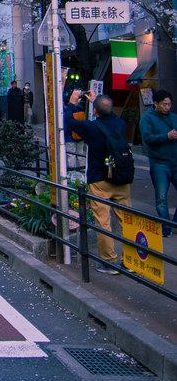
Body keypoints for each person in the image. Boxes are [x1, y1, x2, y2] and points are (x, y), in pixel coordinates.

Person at [64, 89, 131, 273]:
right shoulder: (121, 124)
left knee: (103, 222)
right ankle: (131, 261)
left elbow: (68, 121)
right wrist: (97, 102)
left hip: (99, 179)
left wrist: (71, 102)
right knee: (127, 219)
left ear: (95, 111)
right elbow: (108, 116)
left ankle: (109, 262)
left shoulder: (90, 128)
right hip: (122, 178)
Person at [140, 88, 177, 237]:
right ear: (156, 103)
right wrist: (166, 136)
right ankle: (166, 228)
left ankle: (173, 222)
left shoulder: (174, 117)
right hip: (159, 163)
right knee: (161, 198)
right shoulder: (147, 118)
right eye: (164, 104)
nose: (167, 107)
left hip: (175, 161)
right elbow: (147, 138)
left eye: (169, 104)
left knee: (162, 197)